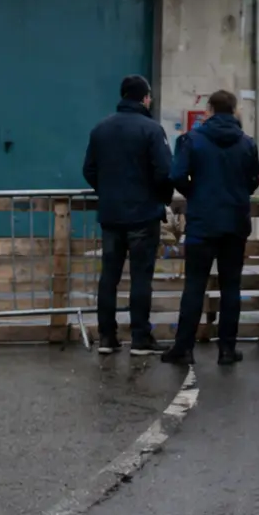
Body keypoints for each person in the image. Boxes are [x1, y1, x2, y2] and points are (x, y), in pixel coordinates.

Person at [161, 90, 259, 367]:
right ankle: (227, 349)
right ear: (235, 110)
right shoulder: (247, 143)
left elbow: (177, 175)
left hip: (203, 222)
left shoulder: (192, 140)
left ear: (210, 109)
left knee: (194, 285)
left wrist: (195, 193)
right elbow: (254, 179)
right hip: (235, 222)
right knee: (231, 287)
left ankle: (184, 348)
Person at [82, 74, 174, 356]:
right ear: (145, 98)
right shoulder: (152, 130)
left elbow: (89, 170)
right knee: (140, 277)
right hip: (143, 215)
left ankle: (107, 337)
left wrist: (108, 191)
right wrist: (160, 199)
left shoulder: (101, 129)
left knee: (109, 276)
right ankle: (140, 338)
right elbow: (164, 172)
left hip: (111, 215)